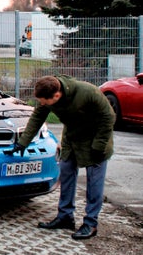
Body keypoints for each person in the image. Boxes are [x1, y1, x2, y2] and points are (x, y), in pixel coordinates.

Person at [13, 75, 115, 240]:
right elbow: (37, 117)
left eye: (44, 101)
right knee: (66, 173)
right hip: (72, 139)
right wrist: (23, 142)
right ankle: (65, 216)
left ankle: (90, 223)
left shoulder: (87, 92)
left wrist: (99, 146)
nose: (43, 104)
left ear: (57, 95)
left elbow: (108, 117)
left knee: (94, 182)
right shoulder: (49, 94)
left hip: (95, 140)